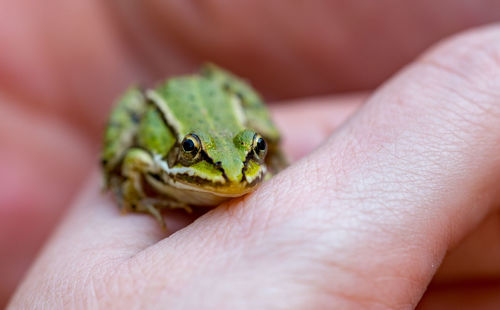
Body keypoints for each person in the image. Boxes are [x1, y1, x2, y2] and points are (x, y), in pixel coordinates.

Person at [3, 1, 500, 308]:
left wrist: (261, 141)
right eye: (197, 158)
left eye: (257, 153)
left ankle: (242, 139)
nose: (237, 177)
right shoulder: (157, 161)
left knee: (247, 132)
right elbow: (134, 164)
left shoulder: (243, 150)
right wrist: (129, 190)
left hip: (219, 109)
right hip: (166, 109)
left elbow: (243, 145)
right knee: (124, 146)